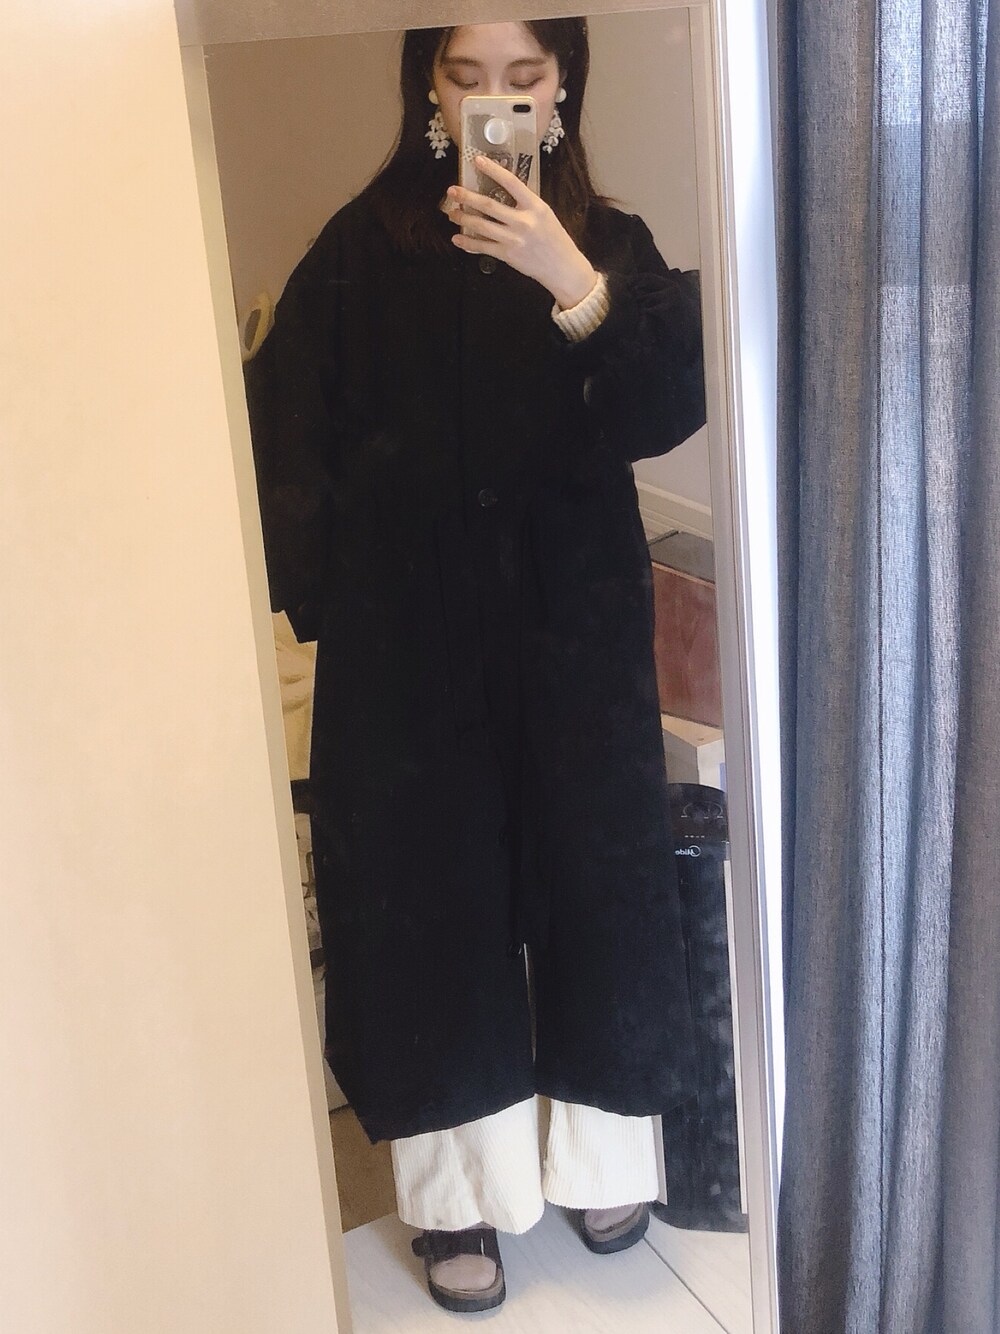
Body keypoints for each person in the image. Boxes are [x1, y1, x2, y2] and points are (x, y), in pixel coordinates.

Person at [244, 18, 706, 1314]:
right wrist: (333, 599)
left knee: (598, 889)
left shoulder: (606, 240)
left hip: (574, 631)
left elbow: (665, 403)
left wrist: (571, 277)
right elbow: (280, 431)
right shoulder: (361, 247)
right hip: (413, 640)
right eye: (464, 78)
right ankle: (457, 1195)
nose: (492, 101)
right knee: (430, 907)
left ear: (562, 92)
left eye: (523, 78)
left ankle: (604, 1155)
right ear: (427, 93)